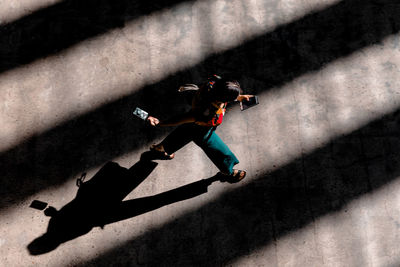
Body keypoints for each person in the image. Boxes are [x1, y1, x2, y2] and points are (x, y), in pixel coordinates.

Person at [146, 75, 253, 182]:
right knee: (220, 153)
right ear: (223, 99)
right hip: (203, 131)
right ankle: (228, 172)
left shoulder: (214, 81)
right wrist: (160, 123)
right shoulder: (205, 113)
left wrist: (238, 97)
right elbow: (180, 119)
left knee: (184, 132)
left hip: (195, 124)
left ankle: (160, 149)